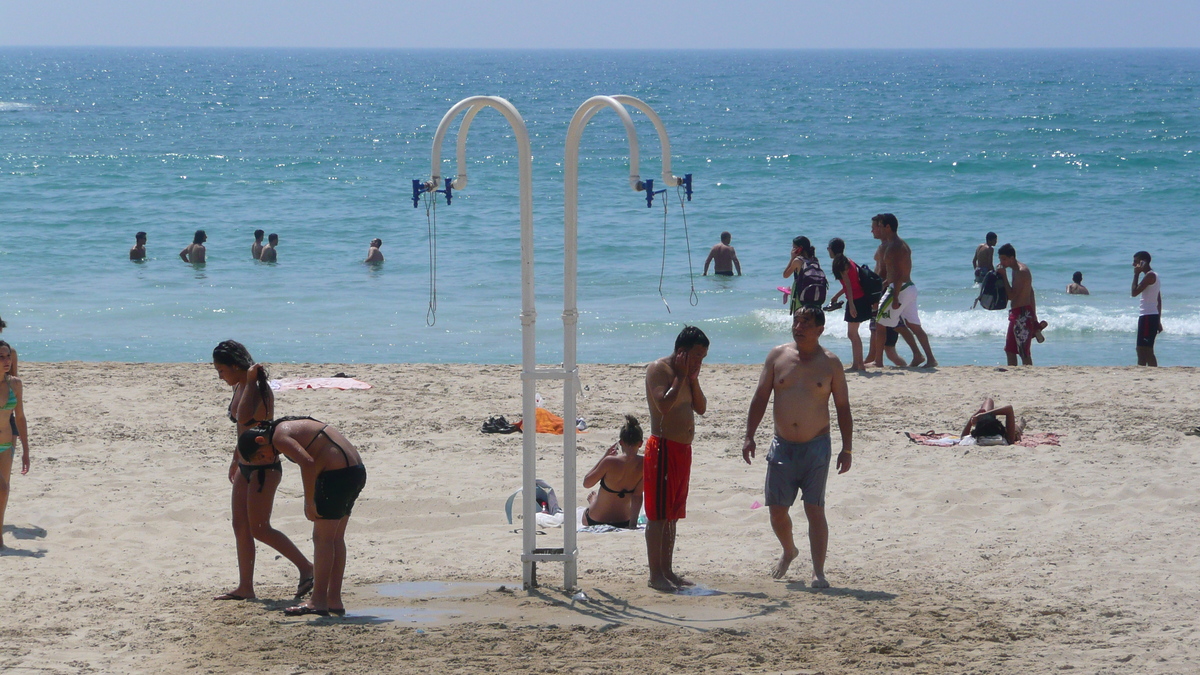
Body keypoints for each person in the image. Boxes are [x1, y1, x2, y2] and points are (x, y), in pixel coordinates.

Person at [742, 307, 852, 587]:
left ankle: (818, 572)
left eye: (806, 322)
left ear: (820, 330)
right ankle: (789, 550)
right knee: (777, 511)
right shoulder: (778, 357)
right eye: (796, 321)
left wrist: (847, 448)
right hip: (782, 446)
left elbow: (842, 408)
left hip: (816, 446)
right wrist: (749, 435)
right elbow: (760, 397)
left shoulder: (831, 363)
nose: (798, 326)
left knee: (814, 509)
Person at [211, 341, 313, 602]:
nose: (220, 376)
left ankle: (307, 568)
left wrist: (249, 381)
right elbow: (243, 430)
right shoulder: (240, 385)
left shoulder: (257, 388)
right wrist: (235, 458)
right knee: (240, 526)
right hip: (245, 466)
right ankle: (246, 587)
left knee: (260, 527)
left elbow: (244, 416)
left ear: (235, 366)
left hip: (264, 469)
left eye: (222, 370)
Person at [239, 414, 366, 617]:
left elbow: (307, 462)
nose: (267, 460)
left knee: (322, 539)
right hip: (356, 471)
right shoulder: (287, 427)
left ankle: (318, 601)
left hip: (337, 475)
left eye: (261, 455)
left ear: (260, 440)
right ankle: (333, 600)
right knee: (335, 538)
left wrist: (309, 501)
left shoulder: (279, 437)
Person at [644, 325, 708, 591]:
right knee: (658, 515)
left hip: (683, 450)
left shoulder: (687, 376)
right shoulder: (660, 369)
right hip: (663, 448)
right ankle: (655, 574)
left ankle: (668, 570)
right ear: (682, 352)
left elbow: (701, 408)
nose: (699, 362)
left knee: (672, 515)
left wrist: (692, 379)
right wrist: (681, 376)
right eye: (696, 356)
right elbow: (664, 405)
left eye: (703, 358)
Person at [871, 214, 937, 367]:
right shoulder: (899, 244)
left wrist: (894, 298)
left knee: (880, 322)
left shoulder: (894, 246)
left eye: (880, 226)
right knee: (914, 325)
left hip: (900, 289)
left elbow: (897, 275)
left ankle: (878, 361)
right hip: (909, 288)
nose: (878, 229)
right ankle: (930, 359)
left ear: (888, 227)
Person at [581, 414, 644, 529]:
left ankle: (594, 501)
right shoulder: (645, 464)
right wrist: (632, 525)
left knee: (593, 499)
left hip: (595, 520)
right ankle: (595, 500)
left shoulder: (609, 461)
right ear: (640, 443)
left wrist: (603, 458)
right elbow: (637, 496)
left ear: (621, 443)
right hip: (624, 520)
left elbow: (587, 483)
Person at [0, 341, 31, 550]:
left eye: (7, 357)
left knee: (3, 490)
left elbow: (20, 417)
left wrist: (26, 451)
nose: (6, 361)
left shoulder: (15, 384)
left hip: (6, 443)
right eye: (1, 358)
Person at [826, 238, 869, 371]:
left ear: (833, 249)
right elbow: (848, 283)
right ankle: (858, 364)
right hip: (859, 298)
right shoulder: (847, 261)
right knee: (853, 333)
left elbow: (849, 285)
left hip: (856, 299)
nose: (828, 250)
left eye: (829, 248)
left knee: (852, 334)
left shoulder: (840, 263)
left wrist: (851, 305)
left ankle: (858, 365)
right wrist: (836, 296)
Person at [996, 243, 1042, 366]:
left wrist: (1003, 276)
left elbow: (1011, 295)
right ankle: (1014, 375)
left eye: (1004, 259)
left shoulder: (1021, 272)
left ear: (1012, 258)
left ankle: (1028, 376)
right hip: (1017, 313)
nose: (1002, 262)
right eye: (1000, 259)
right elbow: (1031, 292)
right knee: (1010, 349)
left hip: (1023, 314)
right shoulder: (1015, 270)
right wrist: (1035, 316)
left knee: (1023, 351)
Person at [1132, 251, 1162, 367]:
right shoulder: (1153, 275)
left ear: (1143, 262)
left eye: (1136, 261)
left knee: (1144, 349)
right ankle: (1144, 372)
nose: (1133, 264)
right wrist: (1158, 320)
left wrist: (1136, 274)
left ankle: (1150, 372)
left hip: (1148, 316)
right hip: (1150, 316)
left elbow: (1134, 292)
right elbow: (1158, 300)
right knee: (1144, 349)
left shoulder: (1150, 276)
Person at [782, 236, 824, 314]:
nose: (792, 250)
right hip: (814, 294)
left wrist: (792, 258)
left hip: (800, 293)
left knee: (799, 318)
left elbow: (785, 275)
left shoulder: (797, 261)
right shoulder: (814, 259)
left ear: (800, 248)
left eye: (794, 247)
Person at [960, 397, 1025, 445]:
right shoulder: (1006, 440)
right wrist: (982, 414)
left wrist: (974, 417)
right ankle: (1020, 426)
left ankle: (986, 416)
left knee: (989, 402)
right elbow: (1009, 408)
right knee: (1016, 429)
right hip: (1007, 432)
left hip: (986, 430)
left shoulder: (974, 441)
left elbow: (963, 437)